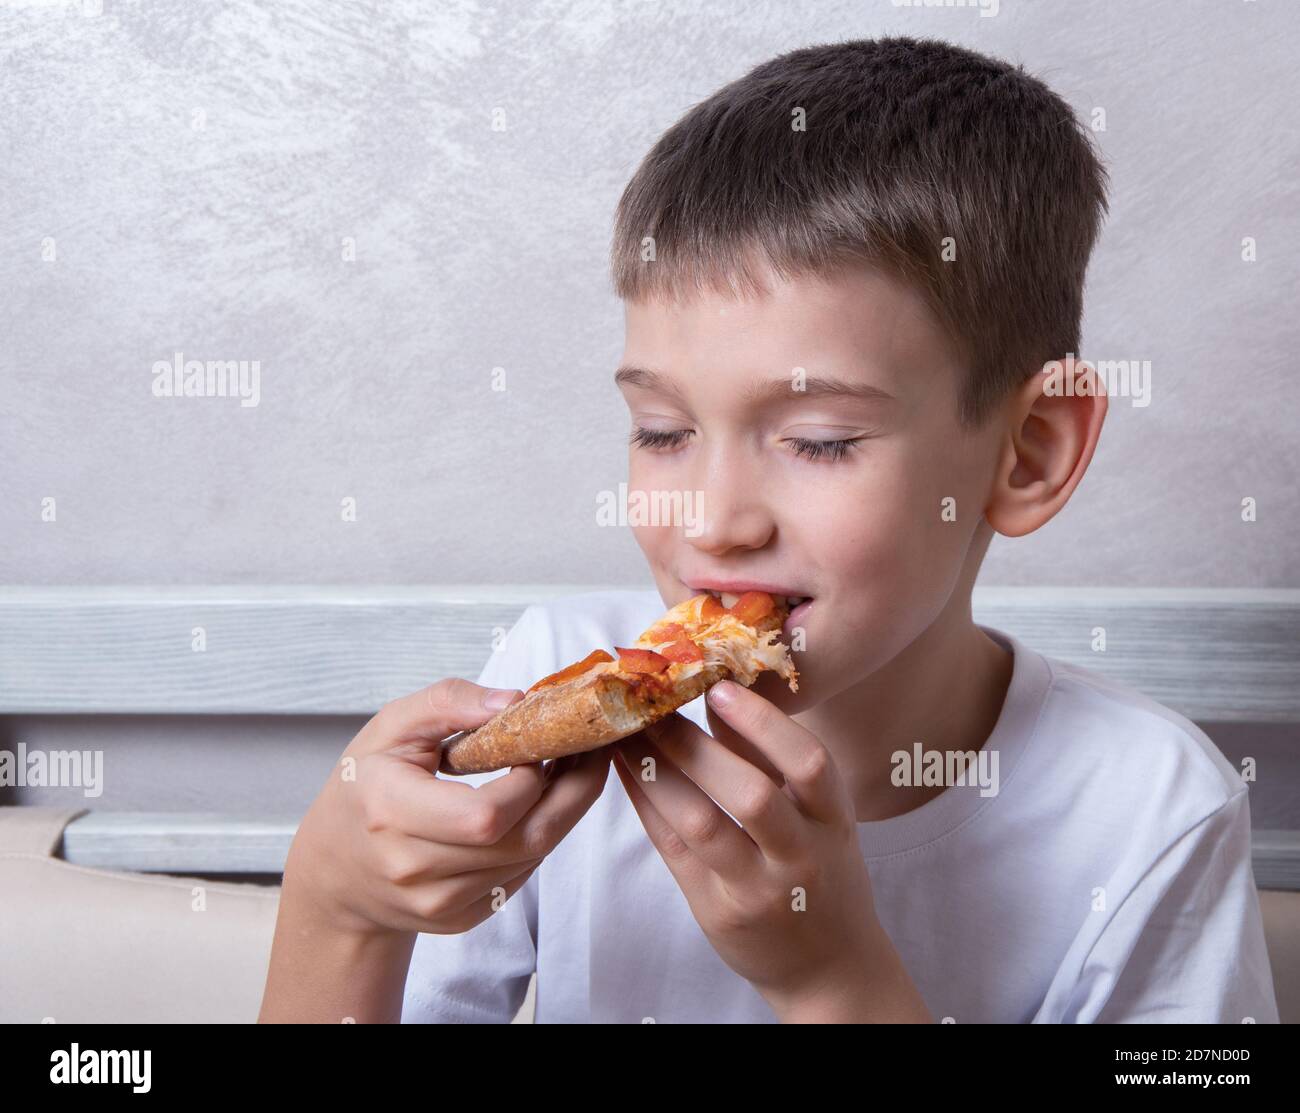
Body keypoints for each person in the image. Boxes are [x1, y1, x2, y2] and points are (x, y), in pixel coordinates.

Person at [259, 36, 1279, 1024]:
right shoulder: (553, 672)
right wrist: (336, 905)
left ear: (1029, 453)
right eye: (662, 431)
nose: (710, 522)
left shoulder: (1150, 812)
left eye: (819, 440)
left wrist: (833, 982)